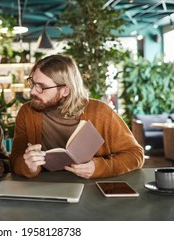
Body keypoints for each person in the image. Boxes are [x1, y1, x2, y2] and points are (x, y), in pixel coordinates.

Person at [9, 54, 144, 179]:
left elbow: (136, 155)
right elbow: (15, 160)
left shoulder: (101, 113)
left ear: (65, 90)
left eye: (41, 87)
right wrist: (28, 167)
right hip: (44, 188)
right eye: (32, 83)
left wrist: (98, 167)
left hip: (91, 190)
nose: (32, 91)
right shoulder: (27, 112)